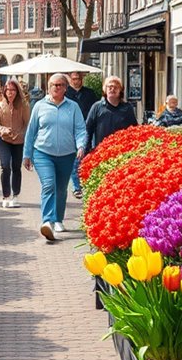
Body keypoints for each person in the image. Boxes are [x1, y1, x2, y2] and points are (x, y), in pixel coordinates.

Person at [23, 73, 87, 242]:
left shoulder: (73, 107)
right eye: (53, 85)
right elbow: (31, 131)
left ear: (66, 88)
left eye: (60, 85)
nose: (56, 88)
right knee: (49, 185)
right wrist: (27, 154)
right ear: (48, 87)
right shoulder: (39, 106)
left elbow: (80, 129)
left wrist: (81, 145)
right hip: (43, 152)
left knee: (61, 188)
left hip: (67, 154)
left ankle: (58, 219)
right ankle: (47, 221)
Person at [0, 78, 29, 209]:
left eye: (13, 90)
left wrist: (20, 134)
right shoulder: (0, 105)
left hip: (19, 140)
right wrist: (2, 130)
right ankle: (5, 195)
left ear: (17, 92)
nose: (10, 92)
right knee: (5, 166)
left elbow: (27, 124)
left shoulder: (24, 106)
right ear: (4, 91)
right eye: (8, 90)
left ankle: (15, 195)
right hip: (4, 140)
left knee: (16, 167)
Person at [65, 71, 98, 199]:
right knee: (76, 158)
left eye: (78, 79)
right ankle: (76, 186)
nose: (76, 81)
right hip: (72, 129)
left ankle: (87, 184)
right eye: (73, 79)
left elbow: (95, 110)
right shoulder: (66, 93)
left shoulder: (89, 93)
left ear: (81, 79)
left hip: (88, 128)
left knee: (89, 155)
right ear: (70, 80)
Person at [85, 75, 138, 153]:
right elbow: (88, 129)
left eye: (115, 87)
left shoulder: (127, 108)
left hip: (122, 151)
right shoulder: (96, 107)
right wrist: (87, 149)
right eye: (110, 87)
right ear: (105, 89)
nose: (112, 89)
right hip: (101, 152)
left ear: (120, 90)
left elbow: (134, 129)